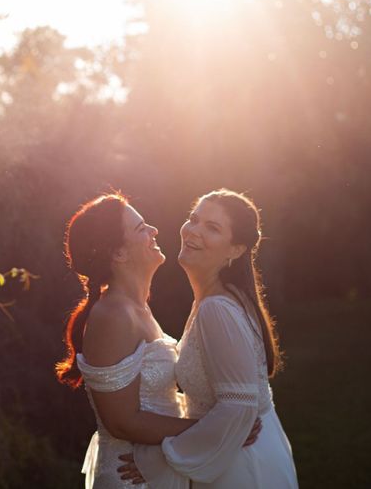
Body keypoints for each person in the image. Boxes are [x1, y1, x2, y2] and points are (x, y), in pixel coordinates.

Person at [56, 192, 261, 488]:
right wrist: (216, 431)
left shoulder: (138, 308)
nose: (153, 230)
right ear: (119, 254)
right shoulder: (112, 316)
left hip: (159, 466)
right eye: (141, 229)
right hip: (133, 474)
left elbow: (154, 396)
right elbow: (121, 422)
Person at [125, 189, 299, 488]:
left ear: (236, 249)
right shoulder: (214, 301)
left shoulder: (216, 309)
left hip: (240, 467)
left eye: (212, 228)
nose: (194, 231)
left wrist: (162, 459)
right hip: (230, 454)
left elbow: (238, 407)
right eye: (194, 219)